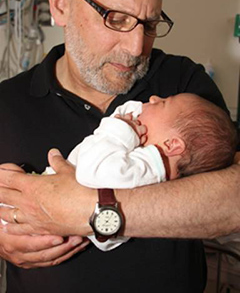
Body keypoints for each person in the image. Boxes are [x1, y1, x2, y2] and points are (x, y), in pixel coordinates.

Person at [0, 0, 239, 292]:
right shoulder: (7, 103)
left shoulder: (183, 85)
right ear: (61, 3)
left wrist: (85, 211)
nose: (136, 46)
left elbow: (233, 199)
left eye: (151, 24)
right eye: (117, 18)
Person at [45, 93, 237, 251]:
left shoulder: (143, 171)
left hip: (45, 212)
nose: (153, 98)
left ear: (171, 145)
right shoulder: (145, 166)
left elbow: (90, 170)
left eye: (163, 104)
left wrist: (120, 131)